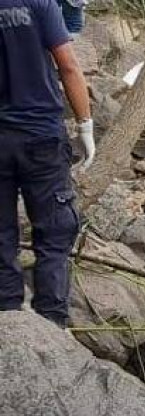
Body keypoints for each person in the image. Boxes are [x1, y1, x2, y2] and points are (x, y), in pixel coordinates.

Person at [0, 0, 95, 327]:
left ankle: (8, 317)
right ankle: (52, 322)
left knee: (1, 233)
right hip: (41, 134)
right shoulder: (40, 2)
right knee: (54, 233)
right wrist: (85, 124)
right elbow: (68, 64)